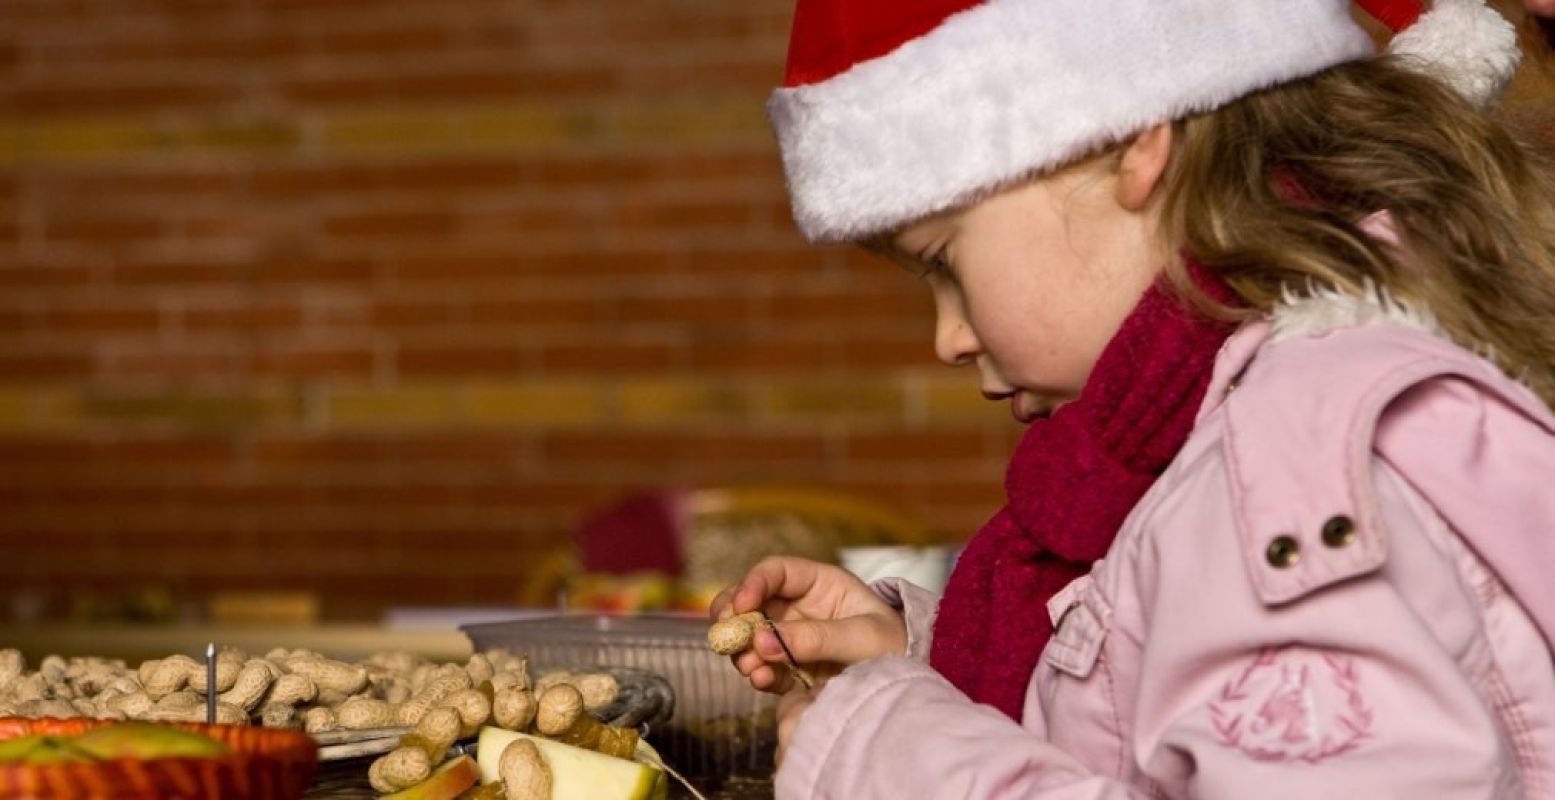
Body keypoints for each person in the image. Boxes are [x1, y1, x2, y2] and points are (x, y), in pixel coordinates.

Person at [709, 0, 1555, 797]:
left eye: (942, 261)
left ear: (1127, 145)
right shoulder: (1252, 417)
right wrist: (921, 665)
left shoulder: (1283, 474)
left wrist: (888, 753)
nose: (948, 339)